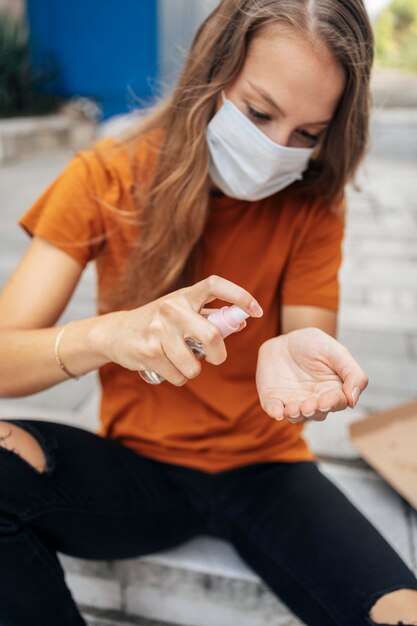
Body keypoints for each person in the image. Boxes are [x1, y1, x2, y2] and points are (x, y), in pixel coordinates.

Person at [0, 0, 416, 624]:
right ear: (210, 73)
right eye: (258, 112)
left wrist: (293, 351)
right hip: (139, 471)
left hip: (268, 473)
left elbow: (306, 335)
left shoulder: (312, 204)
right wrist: (107, 335)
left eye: (307, 134)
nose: (278, 149)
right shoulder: (107, 178)